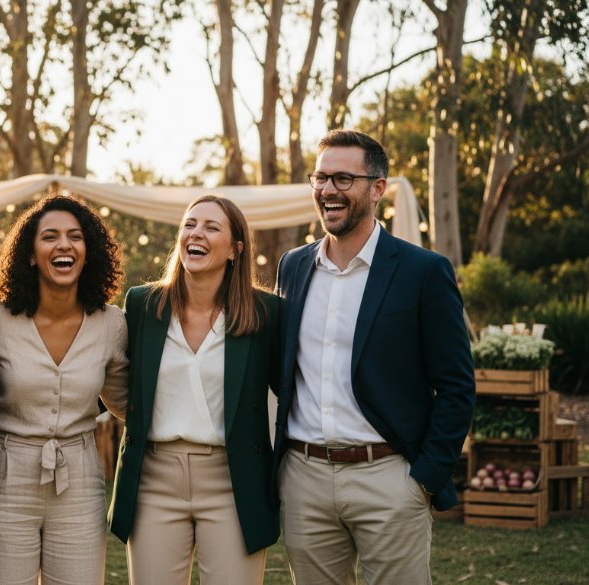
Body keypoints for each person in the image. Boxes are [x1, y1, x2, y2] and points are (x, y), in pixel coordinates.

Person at [272, 129, 475, 584]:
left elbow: (457, 386)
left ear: (377, 188)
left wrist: (422, 479)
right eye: (320, 178)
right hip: (304, 479)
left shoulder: (424, 272)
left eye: (343, 179)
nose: (327, 190)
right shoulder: (293, 266)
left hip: (389, 478)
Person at [109, 195, 279, 585]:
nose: (195, 234)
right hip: (155, 478)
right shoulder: (141, 305)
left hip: (233, 481)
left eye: (211, 227)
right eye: (189, 224)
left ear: (236, 250)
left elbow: (291, 392)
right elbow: (114, 377)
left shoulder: (266, 313)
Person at [0, 194, 127, 585]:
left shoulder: (112, 324)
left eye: (75, 236)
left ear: (88, 252)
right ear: (29, 254)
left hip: (81, 481)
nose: (64, 245)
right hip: (4, 484)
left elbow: (126, 402)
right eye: (50, 237)